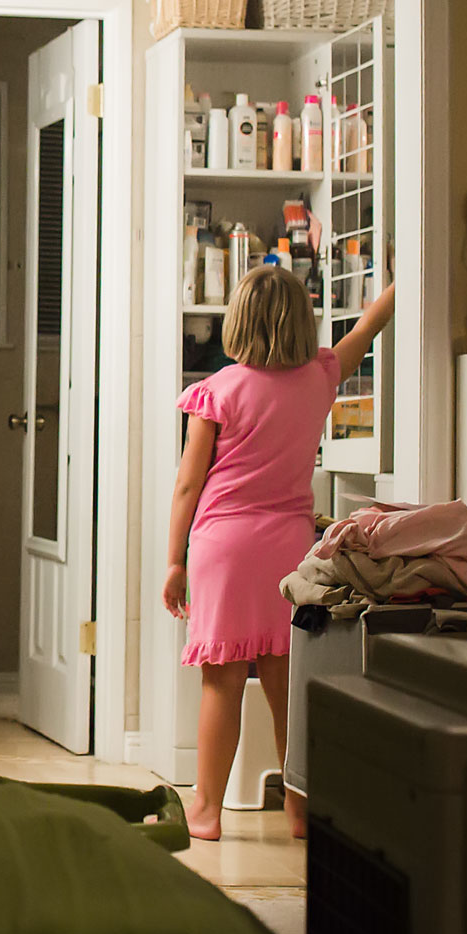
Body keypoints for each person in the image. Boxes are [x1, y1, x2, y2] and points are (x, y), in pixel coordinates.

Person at [162, 267, 396, 841]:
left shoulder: (217, 391)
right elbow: (369, 326)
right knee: (286, 681)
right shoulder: (319, 377)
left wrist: (174, 561)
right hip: (289, 550)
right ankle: (299, 810)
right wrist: (403, 276)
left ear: (238, 322)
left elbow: (188, 485)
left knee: (220, 683)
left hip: (223, 546)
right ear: (303, 322)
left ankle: (208, 811)